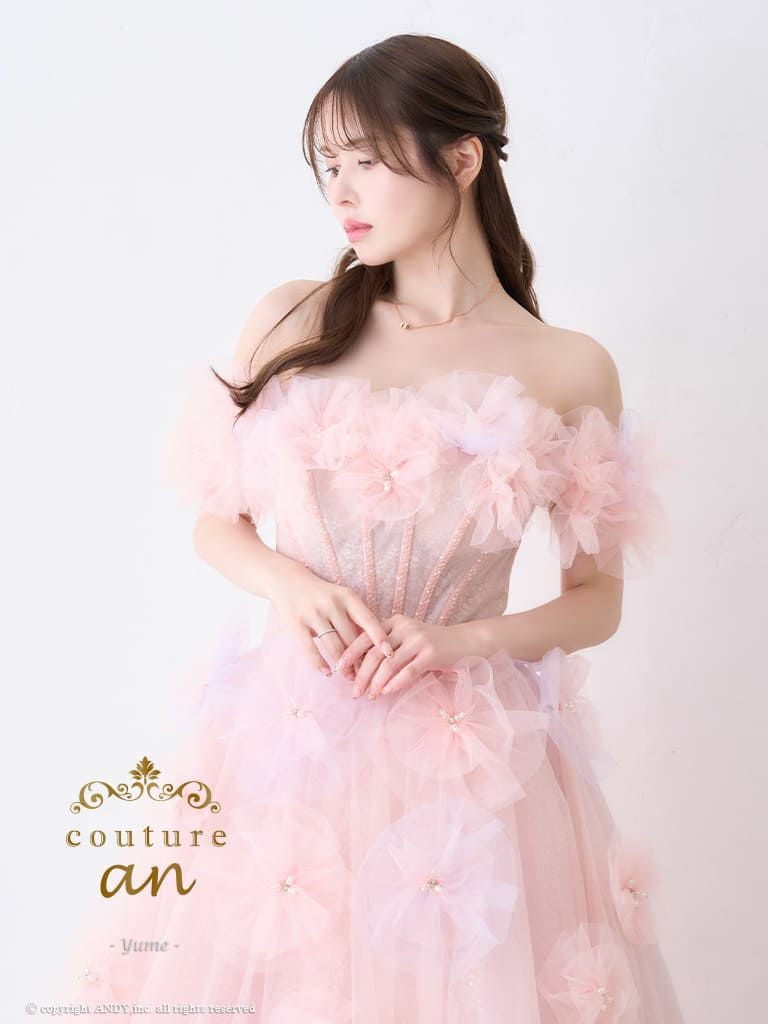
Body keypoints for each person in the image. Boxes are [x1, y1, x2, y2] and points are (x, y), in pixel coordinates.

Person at [62, 33, 685, 1023]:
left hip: (470, 755)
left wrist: (464, 639)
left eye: (365, 161)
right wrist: (290, 584)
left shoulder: (567, 366)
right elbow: (215, 526)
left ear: (462, 158)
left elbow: (597, 600)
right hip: (286, 740)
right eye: (328, 167)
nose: (341, 193)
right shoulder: (295, 319)